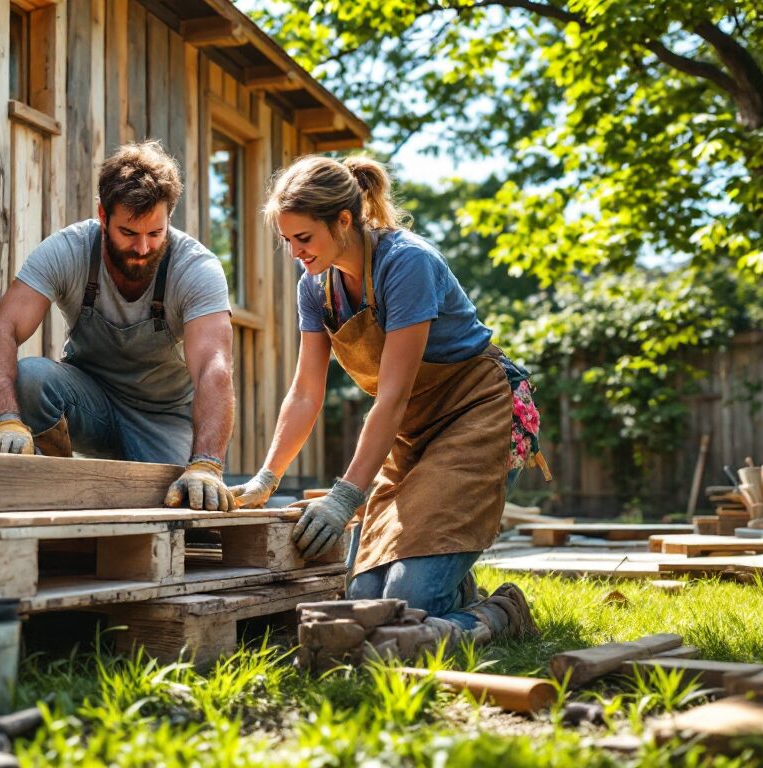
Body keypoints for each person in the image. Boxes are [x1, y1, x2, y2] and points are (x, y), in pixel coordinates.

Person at [230, 155, 547, 642]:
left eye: (304, 238)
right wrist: (266, 478)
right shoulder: (316, 288)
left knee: (407, 608)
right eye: (287, 241)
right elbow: (305, 392)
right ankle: (454, 590)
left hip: (480, 416)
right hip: (412, 433)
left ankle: (501, 615)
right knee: (367, 605)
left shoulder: (407, 263)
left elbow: (393, 395)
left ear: (342, 221)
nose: (295, 252)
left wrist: (344, 500)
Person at [0, 141, 237, 511]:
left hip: (161, 418)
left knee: (173, 511)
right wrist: (5, 418)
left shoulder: (197, 269)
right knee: (31, 378)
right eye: (129, 233)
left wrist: (207, 464)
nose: (143, 248)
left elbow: (214, 369)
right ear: (103, 215)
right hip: (90, 402)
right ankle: (54, 496)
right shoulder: (68, 250)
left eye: (155, 233)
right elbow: (1, 331)